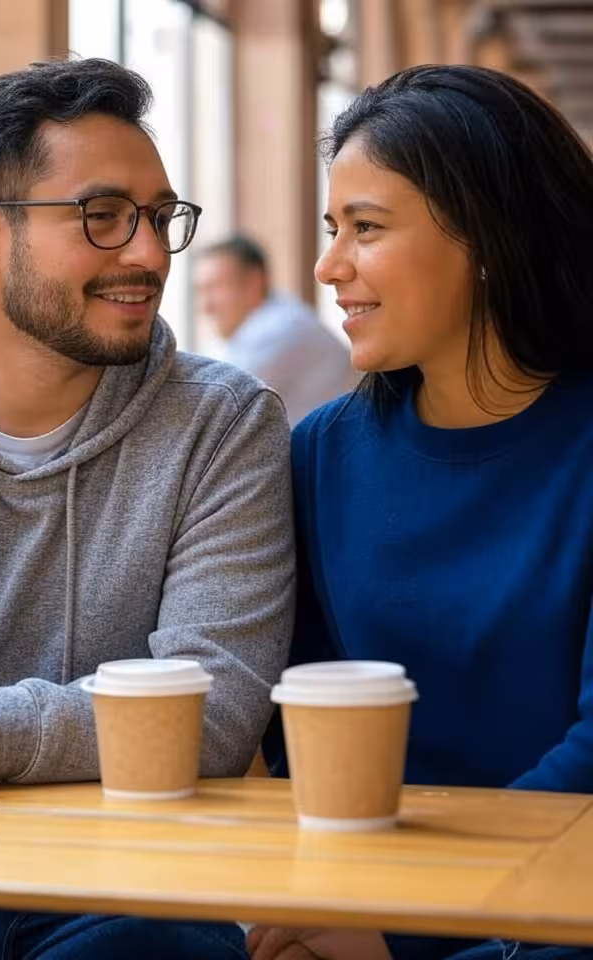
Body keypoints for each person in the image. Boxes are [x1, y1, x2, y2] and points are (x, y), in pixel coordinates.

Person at [0, 57, 295, 959]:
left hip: (130, 896)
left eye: (158, 217)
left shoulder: (224, 424)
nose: (146, 254)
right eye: (102, 217)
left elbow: (215, 710)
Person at [251, 65, 593, 960]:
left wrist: (403, 927)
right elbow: (299, 724)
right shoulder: (319, 454)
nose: (328, 268)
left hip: (555, 911)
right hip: (358, 899)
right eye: (333, 230)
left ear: (489, 236)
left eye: (366, 229)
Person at [195, 234, 356, 425]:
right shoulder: (270, 322)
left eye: (215, 288)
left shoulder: (280, 328)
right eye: (201, 291)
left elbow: (212, 406)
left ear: (253, 282)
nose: (205, 306)